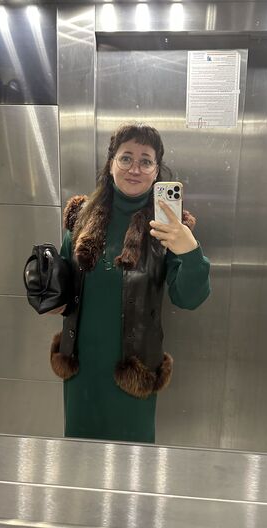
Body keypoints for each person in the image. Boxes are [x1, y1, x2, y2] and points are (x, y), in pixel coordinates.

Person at [50, 123, 210, 443]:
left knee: (133, 460)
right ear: (111, 164)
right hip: (82, 368)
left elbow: (189, 298)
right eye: (126, 158)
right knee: (81, 457)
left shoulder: (168, 227)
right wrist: (47, 290)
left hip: (134, 371)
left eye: (145, 161)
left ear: (156, 171)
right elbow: (63, 290)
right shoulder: (81, 217)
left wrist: (190, 252)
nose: (135, 169)